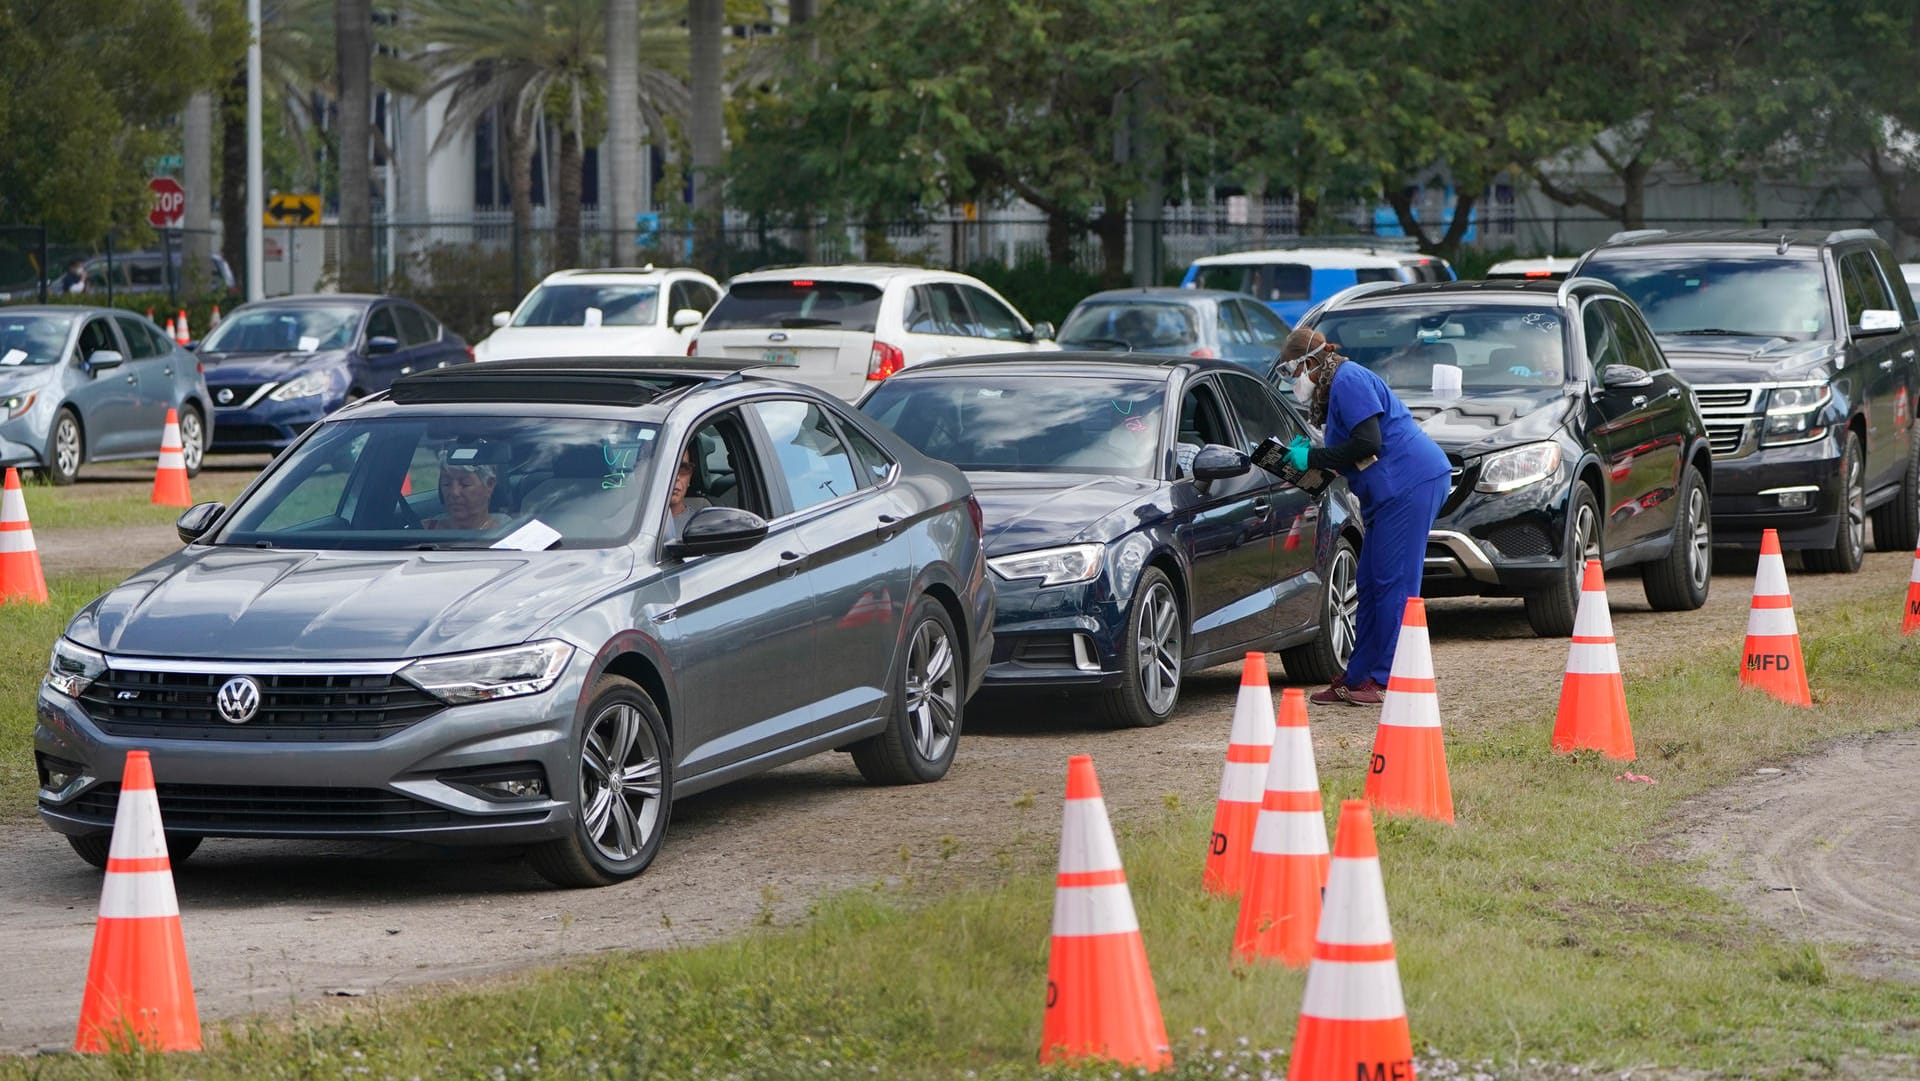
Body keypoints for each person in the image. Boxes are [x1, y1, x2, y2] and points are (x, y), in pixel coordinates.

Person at [1274, 327, 1452, 706]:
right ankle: (1357, 677)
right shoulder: (1334, 386)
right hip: (1390, 491)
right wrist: (1311, 457)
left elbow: (1369, 443)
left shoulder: (1348, 379)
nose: (1294, 383)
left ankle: (1387, 679)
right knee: (1370, 584)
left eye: (1293, 373)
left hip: (1410, 483)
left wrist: (1314, 458)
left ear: (1309, 362)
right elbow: (1352, 449)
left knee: (1394, 585)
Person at [424, 456, 500, 531]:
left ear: (489, 485)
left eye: (465, 484)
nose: (454, 492)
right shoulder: (421, 530)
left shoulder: (506, 536)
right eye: (446, 484)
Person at [663, 446, 710, 540]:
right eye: (666, 468)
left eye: (684, 469)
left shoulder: (701, 524)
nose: (676, 477)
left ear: (690, 477)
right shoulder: (631, 522)